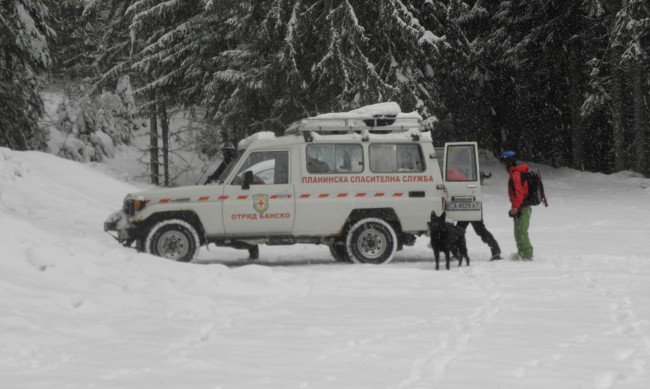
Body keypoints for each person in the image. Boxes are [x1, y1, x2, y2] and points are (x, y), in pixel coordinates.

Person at [499, 150, 533, 260]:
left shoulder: (516, 174)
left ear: (509, 162)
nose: (502, 165)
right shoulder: (514, 173)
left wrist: (515, 207)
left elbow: (520, 193)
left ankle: (527, 255)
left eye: (503, 163)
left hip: (523, 207)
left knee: (522, 231)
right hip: (520, 207)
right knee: (517, 231)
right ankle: (521, 252)